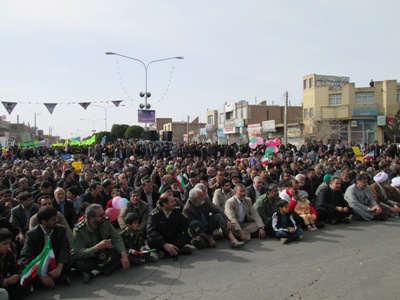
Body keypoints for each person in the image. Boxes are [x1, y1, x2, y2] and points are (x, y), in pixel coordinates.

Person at [71, 204, 130, 283]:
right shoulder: (79, 230)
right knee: (80, 264)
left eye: (104, 213)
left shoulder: (105, 222)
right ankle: (106, 267)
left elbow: (116, 238)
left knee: (119, 252)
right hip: (90, 256)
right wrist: (97, 247)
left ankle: (93, 272)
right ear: (91, 218)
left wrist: (124, 255)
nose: (104, 216)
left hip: (103, 253)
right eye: (101, 215)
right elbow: (78, 252)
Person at [21, 206, 72, 288]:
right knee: (23, 266)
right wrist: (41, 276)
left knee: (69, 259)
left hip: (55, 261)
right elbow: (27, 254)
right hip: (39, 263)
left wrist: (59, 268)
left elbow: (64, 248)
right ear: (44, 221)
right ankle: (57, 279)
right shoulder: (31, 234)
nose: (57, 221)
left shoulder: (60, 229)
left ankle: (49, 280)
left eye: (56, 218)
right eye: (53, 219)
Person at [147, 194, 193, 260]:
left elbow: (185, 224)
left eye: (174, 201)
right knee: (151, 241)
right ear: (165, 204)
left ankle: (166, 253)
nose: (174, 203)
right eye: (172, 202)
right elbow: (151, 231)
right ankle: (177, 251)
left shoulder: (176, 210)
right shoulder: (154, 215)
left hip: (173, 238)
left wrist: (191, 232)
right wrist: (164, 244)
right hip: (161, 241)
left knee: (188, 235)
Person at [0, 228, 27, 300]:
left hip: (6, 281)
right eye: (4, 244)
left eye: (9, 243)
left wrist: (20, 274)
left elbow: (15, 267)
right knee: (3, 293)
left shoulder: (8, 253)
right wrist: (6, 281)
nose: (8, 246)